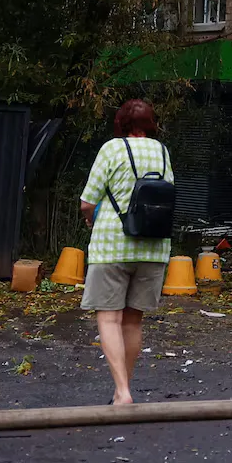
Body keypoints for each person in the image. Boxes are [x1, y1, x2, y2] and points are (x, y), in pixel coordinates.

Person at [78, 98, 174, 406]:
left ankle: (122, 392)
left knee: (109, 319)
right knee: (133, 322)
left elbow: (87, 201)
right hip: (153, 247)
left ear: (121, 123)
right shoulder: (162, 151)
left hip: (112, 247)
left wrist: (90, 218)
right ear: (151, 124)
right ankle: (124, 389)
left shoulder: (112, 149)